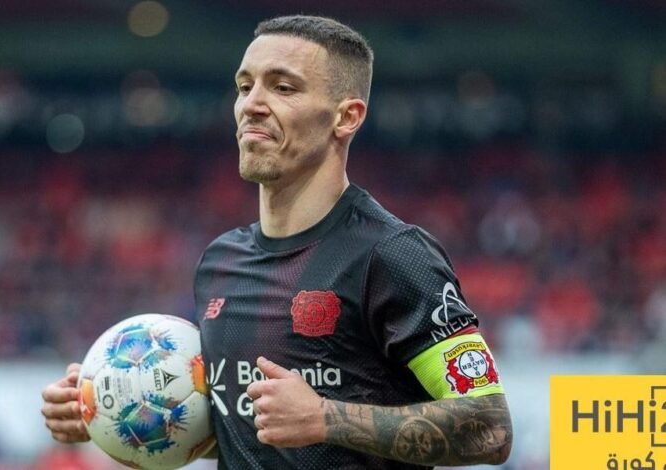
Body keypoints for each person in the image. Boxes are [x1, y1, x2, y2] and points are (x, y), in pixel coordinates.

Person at [41, 15, 513, 469]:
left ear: (346, 117)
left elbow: (490, 427)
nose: (252, 104)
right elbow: (249, 433)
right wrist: (112, 418)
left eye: (283, 87)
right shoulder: (221, 262)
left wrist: (325, 418)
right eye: (245, 86)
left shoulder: (392, 255)